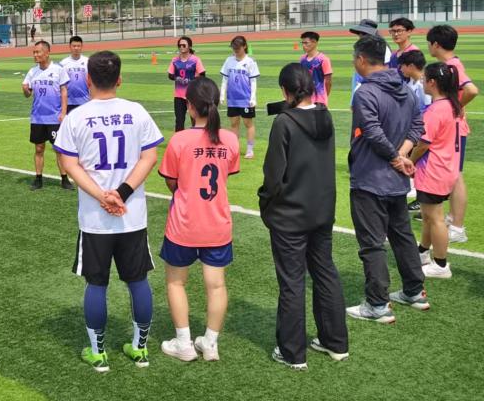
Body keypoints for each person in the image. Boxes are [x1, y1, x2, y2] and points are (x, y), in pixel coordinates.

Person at [53, 50, 163, 373]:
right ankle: (140, 349)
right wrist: (122, 193)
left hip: (95, 219)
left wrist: (103, 196)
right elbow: (150, 157)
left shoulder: (76, 117)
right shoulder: (137, 112)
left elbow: (69, 164)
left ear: (87, 79)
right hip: (132, 215)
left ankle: (98, 353)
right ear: (119, 79)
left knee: (97, 283)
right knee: (138, 281)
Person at [259, 64, 348, 371]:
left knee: (292, 282)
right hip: (321, 210)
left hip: (290, 215)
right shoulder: (325, 115)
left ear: (285, 91)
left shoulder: (284, 122)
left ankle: (292, 352)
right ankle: (335, 342)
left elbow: (273, 175)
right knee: (325, 273)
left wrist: (265, 201)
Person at [346, 34, 428, 324]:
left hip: (370, 178)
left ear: (361, 59)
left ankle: (377, 303)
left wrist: (396, 157)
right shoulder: (404, 89)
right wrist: (403, 154)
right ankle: (414, 291)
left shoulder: (365, 93)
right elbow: (418, 124)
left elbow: (372, 131)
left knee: (372, 243)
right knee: (402, 236)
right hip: (396, 179)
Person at [157, 77, 239, 363]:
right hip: (217, 224)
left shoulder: (180, 140)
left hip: (184, 224)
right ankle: (210, 343)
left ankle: (184, 343)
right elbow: (225, 174)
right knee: (216, 285)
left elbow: (171, 181)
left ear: (190, 106)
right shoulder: (230, 139)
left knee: (176, 283)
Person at [426, 24, 477, 244]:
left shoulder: (452, 66)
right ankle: (453, 219)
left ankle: (457, 226)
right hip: (450, 127)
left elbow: (471, 90)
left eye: (429, 43)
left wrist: (456, 107)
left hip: (453, 129)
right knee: (453, 174)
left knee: (456, 175)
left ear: (436, 44)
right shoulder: (451, 64)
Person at [412, 62, 464, 280]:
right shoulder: (453, 105)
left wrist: (409, 161)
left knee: (435, 218)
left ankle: (441, 264)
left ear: (433, 82)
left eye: (425, 79)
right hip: (446, 167)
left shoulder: (436, 110)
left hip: (433, 169)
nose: (422, 81)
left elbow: (423, 144)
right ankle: (423, 251)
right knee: (428, 215)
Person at [23, 40, 72, 190]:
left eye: (38, 52)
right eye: (34, 52)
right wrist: (25, 89)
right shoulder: (32, 72)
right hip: (37, 117)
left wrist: (63, 113)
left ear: (47, 53)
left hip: (54, 117)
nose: (35, 55)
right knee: (39, 149)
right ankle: (38, 178)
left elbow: (64, 91)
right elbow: (27, 94)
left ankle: (64, 179)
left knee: (58, 149)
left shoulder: (58, 70)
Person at [396, 50, 431, 209]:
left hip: (421, 130)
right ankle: (414, 191)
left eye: (402, 65)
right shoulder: (411, 83)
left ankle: (421, 199)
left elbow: (428, 109)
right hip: (412, 128)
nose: (400, 69)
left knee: (420, 162)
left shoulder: (424, 85)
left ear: (410, 66)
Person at [220, 35, 259, 159]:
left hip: (246, 100)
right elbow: (225, 79)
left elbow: (253, 81)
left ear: (244, 46)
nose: (235, 50)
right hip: (232, 99)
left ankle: (250, 149)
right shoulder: (229, 60)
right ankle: (234, 149)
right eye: (234, 48)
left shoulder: (250, 62)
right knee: (234, 123)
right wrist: (222, 94)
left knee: (248, 123)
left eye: (238, 47)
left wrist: (253, 98)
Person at [348, 19, 393, 104]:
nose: (360, 36)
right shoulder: (362, 47)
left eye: (363, 34)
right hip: (362, 87)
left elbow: (386, 70)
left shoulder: (383, 48)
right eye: (360, 33)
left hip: (373, 90)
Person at [169, 36, 206, 131]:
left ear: (189, 46)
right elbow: (170, 75)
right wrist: (177, 78)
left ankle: (197, 138)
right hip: (179, 96)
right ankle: (179, 139)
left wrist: (191, 80)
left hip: (193, 95)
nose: (181, 47)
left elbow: (202, 75)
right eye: (179, 45)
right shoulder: (175, 60)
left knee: (195, 120)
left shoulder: (195, 60)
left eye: (184, 45)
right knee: (179, 120)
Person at [298, 31, 332, 105]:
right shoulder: (302, 59)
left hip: (319, 100)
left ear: (314, 42)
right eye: (302, 43)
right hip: (305, 99)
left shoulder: (323, 59)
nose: (303, 45)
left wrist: (324, 96)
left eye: (306, 43)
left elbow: (328, 82)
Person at [61, 36, 89, 114]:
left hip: (85, 100)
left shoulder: (87, 61)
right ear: (70, 47)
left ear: (82, 46)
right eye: (74, 46)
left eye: (78, 46)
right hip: (69, 101)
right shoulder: (63, 63)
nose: (76, 48)